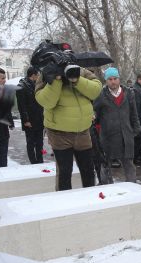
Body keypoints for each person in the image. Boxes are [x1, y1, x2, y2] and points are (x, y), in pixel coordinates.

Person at [35, 61, 101, 190]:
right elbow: (46, 101)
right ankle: (64, 202)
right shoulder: (46, 73)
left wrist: (77, 79)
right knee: (65, 172)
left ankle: (91, 200)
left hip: (83, 131)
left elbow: (95, 91)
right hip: (59, 133)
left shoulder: (80, 70)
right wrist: (57, 79)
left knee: (88, 169)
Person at [93, 67, 141, 182]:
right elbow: (95, 113)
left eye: (115, 78)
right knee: (106, 165)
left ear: (119, 79)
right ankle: (106, 188)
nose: (113, 81)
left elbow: (134, 113)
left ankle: (132, 187)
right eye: (110, 79)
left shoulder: (129, 93)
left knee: (129, 164)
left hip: (126, 135)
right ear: (106, 81)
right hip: (108, 136)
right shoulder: (101, 95)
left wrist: (135, 129)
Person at [16, 66, 44, 164]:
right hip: (30, 120)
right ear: (33, 75)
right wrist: (26, 120)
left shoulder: (37, 85)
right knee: (31, 142)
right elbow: (21, 106)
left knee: (40, 142)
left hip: (39, 119)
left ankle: (40, 160)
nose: (39, 77)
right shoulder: (22, 86)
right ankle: (33, 161)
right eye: (38, 75)